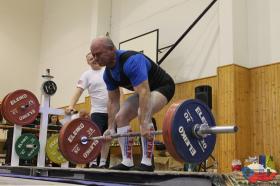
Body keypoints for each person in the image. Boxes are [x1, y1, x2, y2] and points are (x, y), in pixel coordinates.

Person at [90, 37, 175, 172]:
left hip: (163, 86)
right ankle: (127, 161)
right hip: (144, 90)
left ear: (111, 49)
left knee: (143, 113)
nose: (95, 59)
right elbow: (113, 101)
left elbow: (144, 91)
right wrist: (111, 128)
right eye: (93, 55)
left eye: (98, 54)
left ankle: (147, 162)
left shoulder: (131, 60)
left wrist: (145, 122)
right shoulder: (108, 74)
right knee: (120, 117)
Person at [65, 52, 110, 169]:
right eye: (90, 59)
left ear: (97, 57)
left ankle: (103, 163)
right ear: (88, 62)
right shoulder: (86, 75)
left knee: (107, 137)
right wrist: (71, 105)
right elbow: (78, 91)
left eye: (94, 57)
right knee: (95, 137)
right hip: (97, 111)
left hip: (112, 111)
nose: (93, 60)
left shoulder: (108, 70)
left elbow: (118, 90)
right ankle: (93, 162)